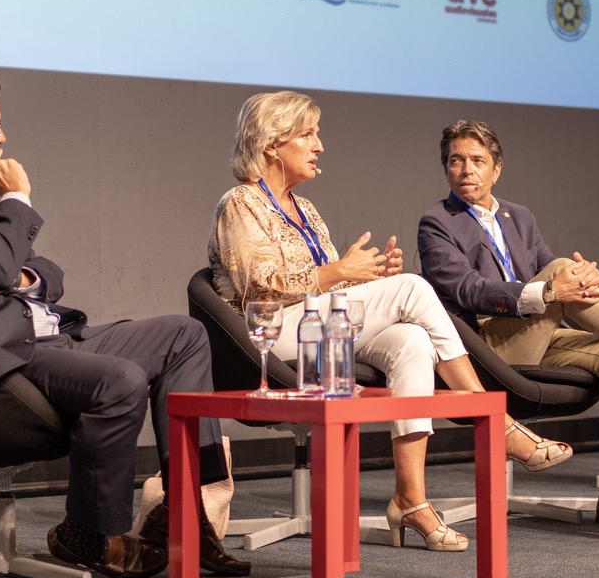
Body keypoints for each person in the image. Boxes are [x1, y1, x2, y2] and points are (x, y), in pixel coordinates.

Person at [0, 64, 249, 578]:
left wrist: (19, 278)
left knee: (184, 335)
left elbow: (46, 271)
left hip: (51, 332)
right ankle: (87, 531)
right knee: (121, 380)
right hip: (2, 356)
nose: (2, 138)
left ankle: (186, 510)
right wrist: (15, 200)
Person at [209, 92, 574, 552]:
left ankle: (409, 498)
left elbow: (326, 291)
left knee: (412, 342)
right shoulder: (241, 203)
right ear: (271, 146)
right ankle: (494, 421)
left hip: (316, 329)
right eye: (307, 135)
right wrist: (342, 273)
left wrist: (366, 278)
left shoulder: (305, 209)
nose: (319, 145)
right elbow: (256, 287)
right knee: (414, 288)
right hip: (265, 337)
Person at [417, 120, 599, 528]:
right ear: (446, 168)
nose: (466, 169)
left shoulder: (519, 217)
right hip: (485, 349)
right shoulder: (436, 223)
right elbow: (467, 290)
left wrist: (588, 279)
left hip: (541, 334)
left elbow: (557, 281)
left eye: (477, 161)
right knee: (560, 272)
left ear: (496, 169)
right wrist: (551, 290)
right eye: (456, 161)